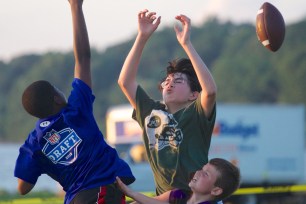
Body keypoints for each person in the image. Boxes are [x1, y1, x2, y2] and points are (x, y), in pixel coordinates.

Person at [14, 0, 135, 203]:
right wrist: (76, 7)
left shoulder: (34, 143)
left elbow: (22, 188)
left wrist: (46, 161)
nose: (62, 91)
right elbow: (83, 58)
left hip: (76, 198)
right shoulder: (76, 110)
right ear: (56, 98)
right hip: (100, 192)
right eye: (58, 89)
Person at [118, 9, 217, 195]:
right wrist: (142, 37)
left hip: (196, 198)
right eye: (167, 81)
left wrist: (187, 44)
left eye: (178, 81)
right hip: (165, 199)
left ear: (193, 95)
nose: (169, 84)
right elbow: (125, 82)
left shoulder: (197, 114)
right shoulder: (151, 112)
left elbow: (210, 91)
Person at [116, 158, 240, 204]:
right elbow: (153, 201)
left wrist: (131, 193)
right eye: (202, 169)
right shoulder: (179, 194)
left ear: (216, 190)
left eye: (205, 174)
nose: (198, 172)